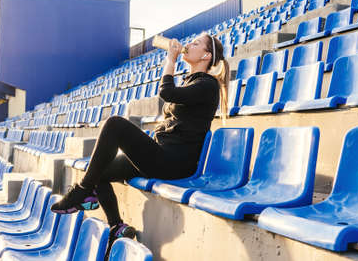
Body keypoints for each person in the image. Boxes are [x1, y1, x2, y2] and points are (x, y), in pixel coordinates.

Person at [51, 32, 230, 250]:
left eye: (196, 43)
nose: (189, 44)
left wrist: (171, 60)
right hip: (161, 153)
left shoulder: (207, 85)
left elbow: (166, 91)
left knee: (115, 124)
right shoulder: (190, 81)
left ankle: (82, 191)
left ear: (206, 56)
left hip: (174, 162)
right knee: (98, 169)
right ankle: (116, 226)